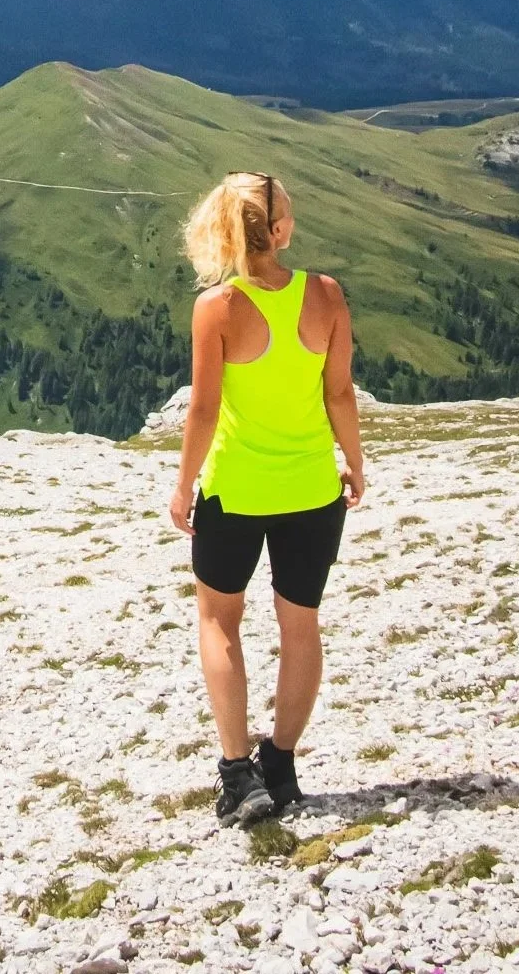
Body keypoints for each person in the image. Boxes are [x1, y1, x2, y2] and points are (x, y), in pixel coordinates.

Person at [169, 171, 365, 827]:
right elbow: (338, 393)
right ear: (278, 230)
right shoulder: (327, 295)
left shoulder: (216, 308)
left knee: (219, 621)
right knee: (299, 625)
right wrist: (354, 464)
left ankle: (236, 774)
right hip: (312, 490)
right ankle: (279, 765)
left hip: (236, 488)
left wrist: (181, 486)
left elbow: (203, 408)